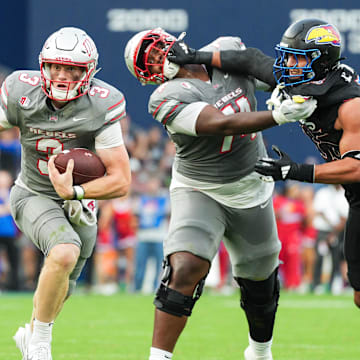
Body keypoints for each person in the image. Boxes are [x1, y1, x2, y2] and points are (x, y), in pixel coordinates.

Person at [124, 28, 316, 360]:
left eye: (155, 50)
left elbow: (270, 74)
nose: (158, 59)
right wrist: (279, 115)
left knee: (260, 281)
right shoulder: (164, 98)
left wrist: (296, 88)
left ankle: (259, 351)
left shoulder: (225, 50)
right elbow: (221, 124)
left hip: (251, 187)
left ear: (170, 40)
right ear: (147, 77)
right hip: (201, 189)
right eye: (149, 62)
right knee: (184, 266)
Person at [167, 18, 360, 309]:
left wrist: (294, 171)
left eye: (296, 58)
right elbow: (251, 60)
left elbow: (356, 168)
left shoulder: (350, 105)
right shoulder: (304, 80)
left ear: (320, 62)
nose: (287, 65)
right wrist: (196, 56)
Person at [2, 27, 131, 360]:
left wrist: (75, 190)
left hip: (79, 201)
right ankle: (40, 345)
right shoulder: (21, 92)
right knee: (63, 252)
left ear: (88, 71)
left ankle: (33, 332)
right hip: (33, 193)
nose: (62, 75)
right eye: (56, 66)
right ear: (43, 66)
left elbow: (121, 180)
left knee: (67, 281)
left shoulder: (102, 106)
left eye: (72, 68)